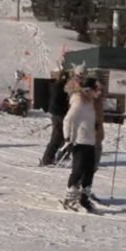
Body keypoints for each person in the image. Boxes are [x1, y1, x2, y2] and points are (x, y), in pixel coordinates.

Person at [60, 76, 105, 211]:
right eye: (95, 89)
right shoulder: (79, 101)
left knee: (89, 171)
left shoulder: (90, 102)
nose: (97, 92)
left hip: (90, 141)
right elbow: (67, 120)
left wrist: (95, 126)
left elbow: (90, 118)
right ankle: (70, 198)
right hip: (79, 141)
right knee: (78, 171)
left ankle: (84, 198)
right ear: (88, 89)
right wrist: (67, 139)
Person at [40, 69, 71, 166]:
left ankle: (59, 156)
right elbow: (58, 103)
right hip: (59, 115)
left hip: (57, 114)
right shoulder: (60, 87)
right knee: (56, 138)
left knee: (61, 137)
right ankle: (47, 159)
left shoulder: (56, 86)